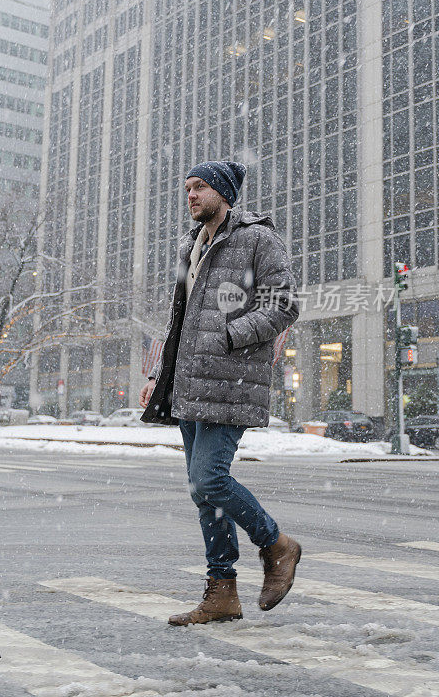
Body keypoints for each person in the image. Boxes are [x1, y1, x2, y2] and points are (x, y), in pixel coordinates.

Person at [139, 160, 300, 626]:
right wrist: (158, 375)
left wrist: (229, 335)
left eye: (199, 187)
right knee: (201, 492)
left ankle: (277, 544)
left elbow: (283, 304)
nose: (190, 195)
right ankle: (222, 591)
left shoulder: (257, 238)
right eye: (187, 188)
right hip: (189, 386)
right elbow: (180, 322)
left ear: (223, 193)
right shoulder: (192, 244)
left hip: (229, 385)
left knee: (210, 479)